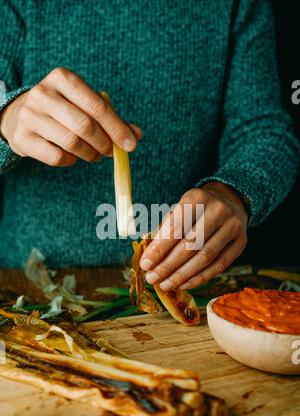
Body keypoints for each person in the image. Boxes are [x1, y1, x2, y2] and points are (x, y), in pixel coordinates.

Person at [0, 0, 299, 292]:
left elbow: (264, 129)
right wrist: (7, 117)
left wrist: (235, 191)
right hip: (29, 288)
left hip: (181, 286)